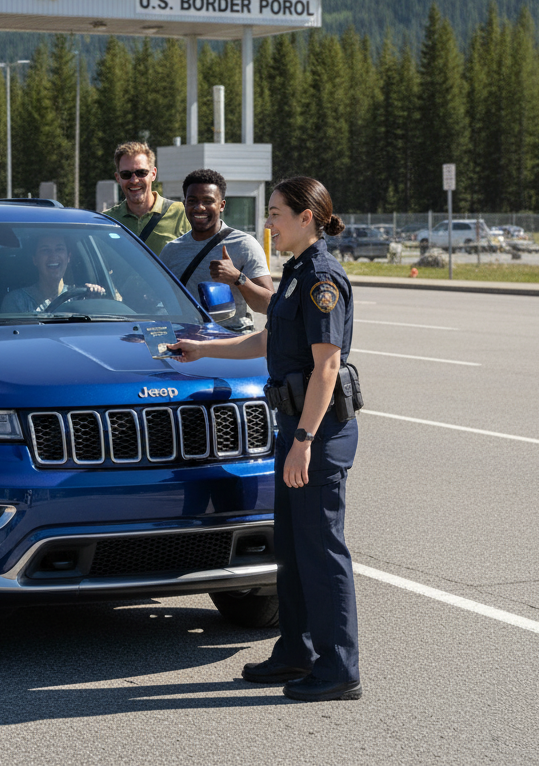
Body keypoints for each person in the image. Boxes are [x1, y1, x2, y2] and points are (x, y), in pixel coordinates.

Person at [168, 176, 361, 702]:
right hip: (294, 429)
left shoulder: (322, 277)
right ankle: (297, 652)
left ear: (307, 217)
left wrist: (302, 440)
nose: (268, 223)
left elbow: (326, 368)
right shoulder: (297, 271)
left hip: (316, 435)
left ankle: (339, 668)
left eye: (276, 213)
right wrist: (203, 350)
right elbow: (268, 339)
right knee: (295, 554)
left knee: (322, 553)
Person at [159, 168, 272, 332]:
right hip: (186, 343)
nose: (199, 207)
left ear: (222, 205)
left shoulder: (243, 245)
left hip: (231, 346)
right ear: (185, 204)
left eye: (207, 201)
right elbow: (159, 301)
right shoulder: (171, 250)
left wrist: (237, 278)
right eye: (192, 201)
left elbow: (269, 305)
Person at [103, 141, 189, 256]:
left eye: (141, 172)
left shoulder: (182, 214)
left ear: (153, 174)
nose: (134, 180)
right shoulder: (106, 220)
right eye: (126, 174)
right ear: (118, 178)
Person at [1, 233, 104, 313]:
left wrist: (94, 302)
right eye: (45, 250)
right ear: (35, 260)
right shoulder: (17, 301)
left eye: (59, 249)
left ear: (68, 257)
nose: (53, 256)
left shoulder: (81, 298)